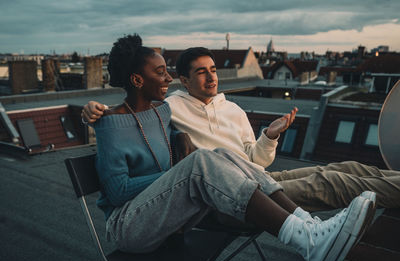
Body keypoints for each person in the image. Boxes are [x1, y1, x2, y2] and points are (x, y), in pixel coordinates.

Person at [93, 34, 374, 261]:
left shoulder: (161, 112)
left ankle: (309, 228)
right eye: (160, 72)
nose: (168, 78)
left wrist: (180, 137)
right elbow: (117, 190)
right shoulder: (108, 124)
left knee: (222, 154)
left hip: (167, 216)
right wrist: (175, 172)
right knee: (203, 160)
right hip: (129, 227)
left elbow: (164, 134)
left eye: (167, 70)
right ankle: (307, 241)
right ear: (138, 80)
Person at [83, 47, 400, 212]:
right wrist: (93, 110)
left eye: (213, 70)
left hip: (260, 176)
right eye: (201, 73)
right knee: (331, 181)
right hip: (233, 192)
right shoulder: (169, 108)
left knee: (349, 167)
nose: (211, 78)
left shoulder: (232, 108)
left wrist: (270, 136)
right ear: (184, 80)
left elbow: (257, 160)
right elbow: (130, 115)